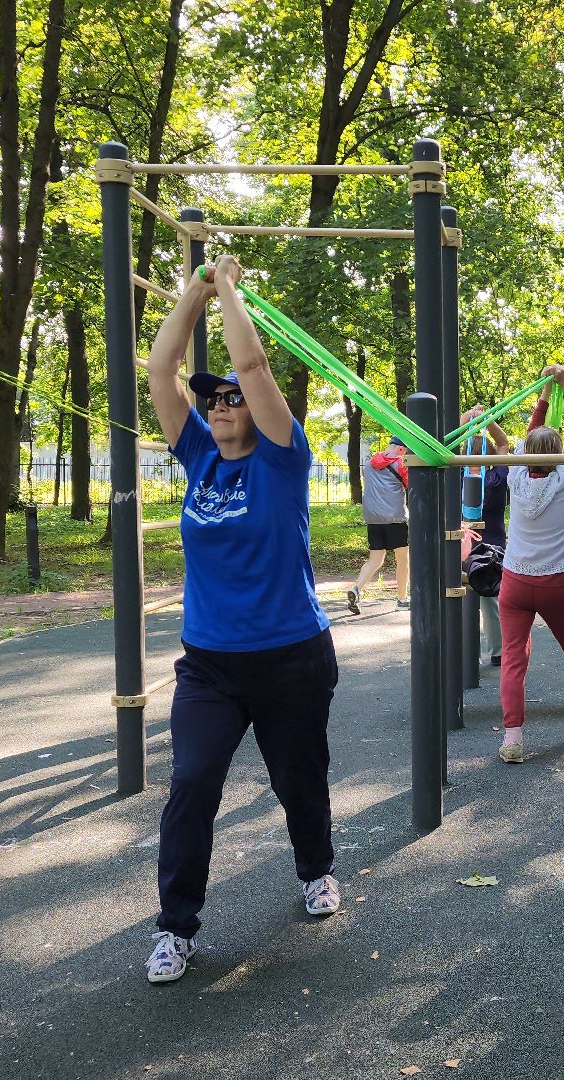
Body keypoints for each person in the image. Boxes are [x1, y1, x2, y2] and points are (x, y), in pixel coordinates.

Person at [141, 256, 341, 985]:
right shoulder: (199, 458)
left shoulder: (282, 460)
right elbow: (162, 372)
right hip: (211, 665)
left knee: (299, 779)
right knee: (192, 782)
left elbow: (252, 362)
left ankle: (315, 868)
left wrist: (226, 287)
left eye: (231, 398)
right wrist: (191, 294)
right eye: (213, 400)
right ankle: (175, 926)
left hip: (291, 656)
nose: (221, 404)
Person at [492, 364, 564, 764]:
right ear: (558, 456)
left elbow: (528, 438)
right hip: (556, 583)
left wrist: (543, 392)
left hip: (515, 581)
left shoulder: (515, 479)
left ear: (526, 455)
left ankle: (513, 738)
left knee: (514, 658)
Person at [459, 410, 511, 666]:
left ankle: (462, 649)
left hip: (460, 547)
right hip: (492, 548)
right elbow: (503, 444)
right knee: (490, 600)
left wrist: (466, 419)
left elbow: (442, 446)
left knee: (458, 596)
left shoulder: (456, 477)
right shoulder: (496, 479)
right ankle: (498, 651)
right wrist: (488, 421)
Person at [348, 436, 410, 613]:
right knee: (403, 560)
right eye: (405, 451)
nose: (405, 454)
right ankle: (402, 599)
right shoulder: (401, 463)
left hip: (373, 519)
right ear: (400, 449)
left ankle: (356, 589)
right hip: (395, 519)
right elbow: (409, 486)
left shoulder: (368, 464)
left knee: (375, 560)